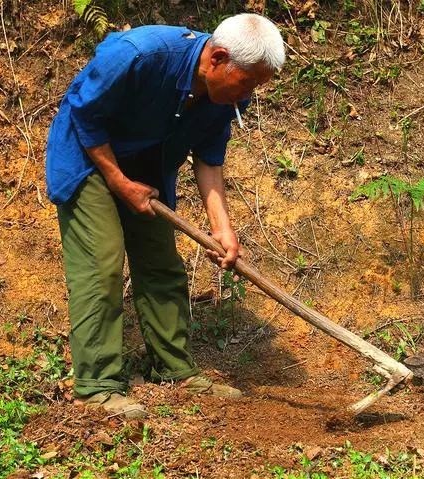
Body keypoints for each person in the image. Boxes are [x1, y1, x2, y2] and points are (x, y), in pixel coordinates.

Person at [45, 13, 285, 418]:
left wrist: (222, 228)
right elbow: (85, 116)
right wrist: (119, 182)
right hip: (89, 158)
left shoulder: (225, 95)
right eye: (248, 82)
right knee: (101, 264)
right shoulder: (138, 54)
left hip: (146, 167)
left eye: (259, 85)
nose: (250, 95)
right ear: (218, 59)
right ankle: (97, 385)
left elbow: (208, 159)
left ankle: (173, 370)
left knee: (161, 265)